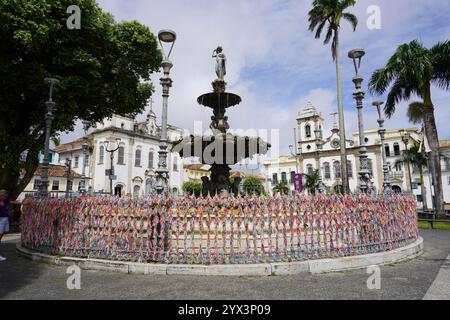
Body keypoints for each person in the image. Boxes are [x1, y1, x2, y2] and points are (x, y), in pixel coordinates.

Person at [0, 190, 10, 261]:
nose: (4, 197)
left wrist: (24, 203)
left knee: (2, 235)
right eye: (2, 195)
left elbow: (12, 202)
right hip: (1, 220)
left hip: (5, 219)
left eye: (4, 195)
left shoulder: (5, 201)